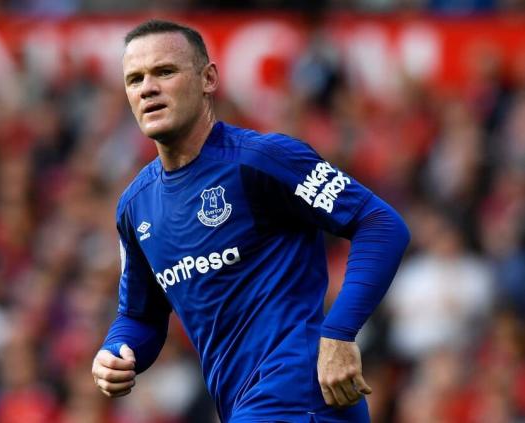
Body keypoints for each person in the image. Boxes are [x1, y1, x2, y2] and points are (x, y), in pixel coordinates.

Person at [92, 19, 410, 423]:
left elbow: (380, 224)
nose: (147, 88)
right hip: (245, 405)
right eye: (135, 79)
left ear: (208, 79)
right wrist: (116, 352)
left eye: (165, 71)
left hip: (299, 394)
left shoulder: (263, 160)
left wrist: (339, 333)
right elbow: (141, 317)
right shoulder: (136, 206)